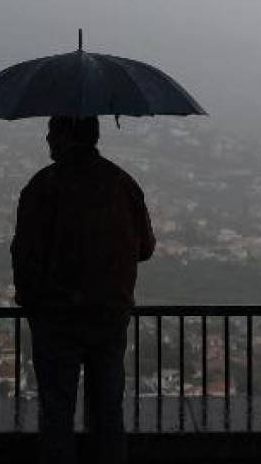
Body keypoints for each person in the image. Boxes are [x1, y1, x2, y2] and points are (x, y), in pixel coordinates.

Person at [11, 115, 156, 464]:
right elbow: (146, 247)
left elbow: (24, 253)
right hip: (109, 315)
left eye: (51, 132)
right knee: (108, 411)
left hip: (55, 318)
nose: (46, 139)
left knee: (57, 412)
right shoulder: (122, 184)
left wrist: (32, 302)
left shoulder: (44, 186)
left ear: (65, 137)